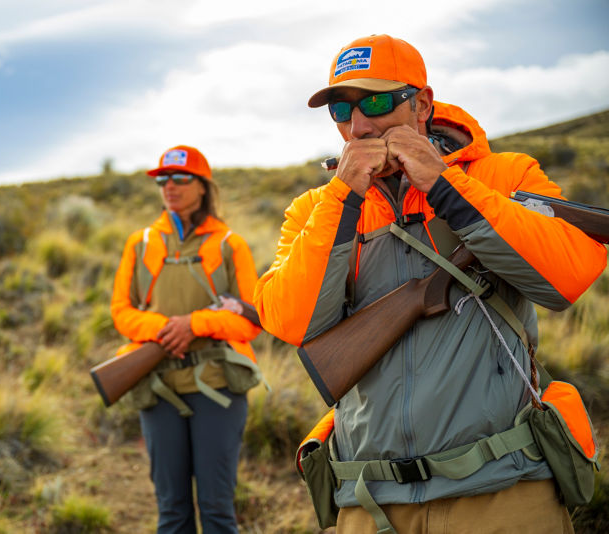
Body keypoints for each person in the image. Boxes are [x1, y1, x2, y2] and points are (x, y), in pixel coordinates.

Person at [253, 34, 607, 534]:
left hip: (502, 494)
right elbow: (291, 321)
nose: (358, 125)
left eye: (376, 102)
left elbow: (567, 276)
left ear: (421, 103)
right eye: (341, 108)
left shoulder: (504, 175)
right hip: (369, 503)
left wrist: (443, 183)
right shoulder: (316, 209)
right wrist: (341, 198)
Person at [110, 145, 262, 534]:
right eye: (163, 180)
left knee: (216, 510)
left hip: (218, 387)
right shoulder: (140, 243)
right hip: (158, 387)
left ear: (202, 186)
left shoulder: (231, 245)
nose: (170, 187)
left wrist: (193, 324)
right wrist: (165, 330)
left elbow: (251, 323)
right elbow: (120, 312)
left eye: (180, 178)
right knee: (172, 512)